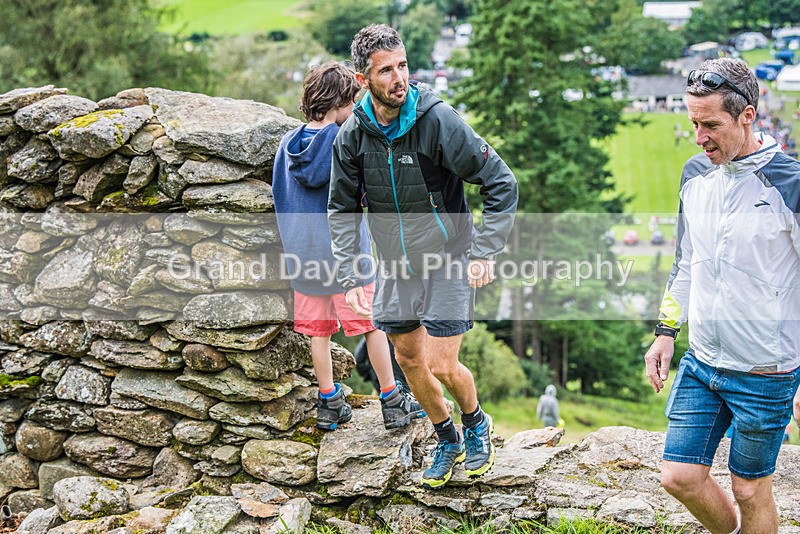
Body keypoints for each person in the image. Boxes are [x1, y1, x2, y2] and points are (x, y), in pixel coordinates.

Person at [328, 24, 518, 489]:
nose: (399, 78)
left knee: (440, 363)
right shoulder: (351, 136)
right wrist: (350, 275)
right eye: (386, 70)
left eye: (403, 66)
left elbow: (501, 182)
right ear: (362, 79)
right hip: (396, 263)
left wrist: (484, 251)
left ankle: (476, 423)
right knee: (407, 360)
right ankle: (447, 437)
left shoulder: (437, 120)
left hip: (449, 254)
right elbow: (341, 209)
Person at [643, 58, 800, 534]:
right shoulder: (695, 174)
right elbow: (685, 261)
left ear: (747, 116)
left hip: (765, 372)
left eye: (710, 124)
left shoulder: (790, 185)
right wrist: (665, 332)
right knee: (679, 477)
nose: (699, 137)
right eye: (693, 123)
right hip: (703, 363)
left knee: (751, 490)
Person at [272, 61, 424, 432]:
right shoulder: (346, 140)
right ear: (340, 102)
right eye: (353, 102)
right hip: (347, 257)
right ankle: (391, 398)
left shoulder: (287, 145)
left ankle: (329, 401)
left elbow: (278, 196)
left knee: (319, 332)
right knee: (372, 326)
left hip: (303, 258)